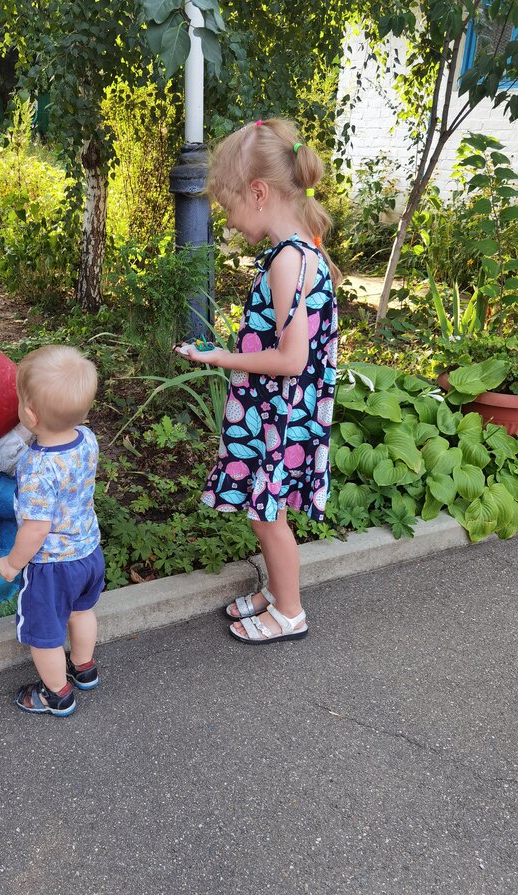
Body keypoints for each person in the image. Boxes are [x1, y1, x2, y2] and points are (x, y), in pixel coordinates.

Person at [176, 117, 341, 645]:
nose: (228, 221)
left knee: (267, 517)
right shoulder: (298, 250)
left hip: (278, 412)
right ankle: (275, 592)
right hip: (279, 409)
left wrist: (223, 358)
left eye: (229, 208)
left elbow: (291, 360)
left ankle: (290, 611)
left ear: (259, 192)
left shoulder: (288, 260)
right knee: (261, 510)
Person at [0, 345, 105, 716]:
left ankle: (57, 693)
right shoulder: (87, 439)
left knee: (44, 637)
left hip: (52, 567)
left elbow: (36, 529)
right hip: (88, 553)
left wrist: (12, 564)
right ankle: (84, 669)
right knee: (82, 612)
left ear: (29, 414)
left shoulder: (36, 469)